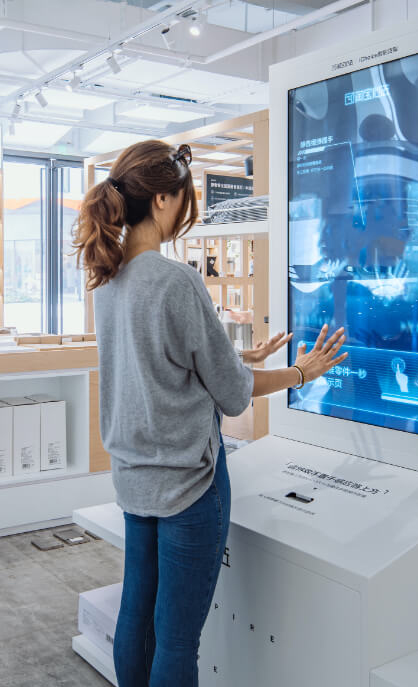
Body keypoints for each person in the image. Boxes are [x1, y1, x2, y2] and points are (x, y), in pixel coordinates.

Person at [73, 140, 347, 687]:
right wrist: (301, 373)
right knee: (176, 641)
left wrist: (234, 353)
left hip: (134, 478)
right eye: (183, 201)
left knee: (137, 619)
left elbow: (155, 360)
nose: (184, 213)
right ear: (162, 202)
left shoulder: (108, 281)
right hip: (189, 487)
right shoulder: (177, 280)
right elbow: (233, 395)